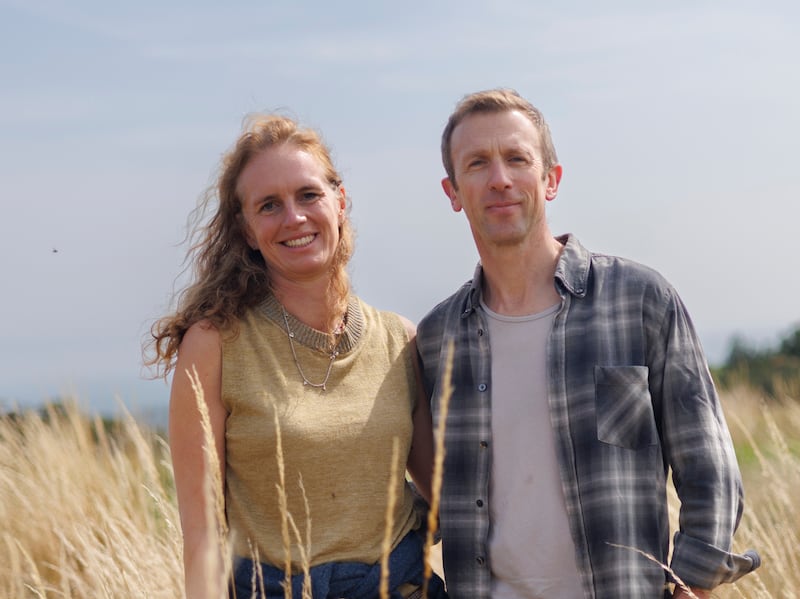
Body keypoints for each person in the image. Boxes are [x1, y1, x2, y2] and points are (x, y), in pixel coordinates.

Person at [415, 89, 761, 599]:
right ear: (453, 191)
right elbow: (426, 492)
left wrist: (694, 582)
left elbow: (707, 462)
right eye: (477, 163)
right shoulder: (437, 339)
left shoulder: (639, 300)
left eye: (517, 159)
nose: (500, 179)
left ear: (550, 179)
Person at [147, 114, 446, 599]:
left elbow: (448, 500)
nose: (294, 218)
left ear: (340, 202)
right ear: (246, 230)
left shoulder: (399, 340)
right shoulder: (214, 344)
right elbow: (202, 535)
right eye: (269, 205)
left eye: (308, 195)